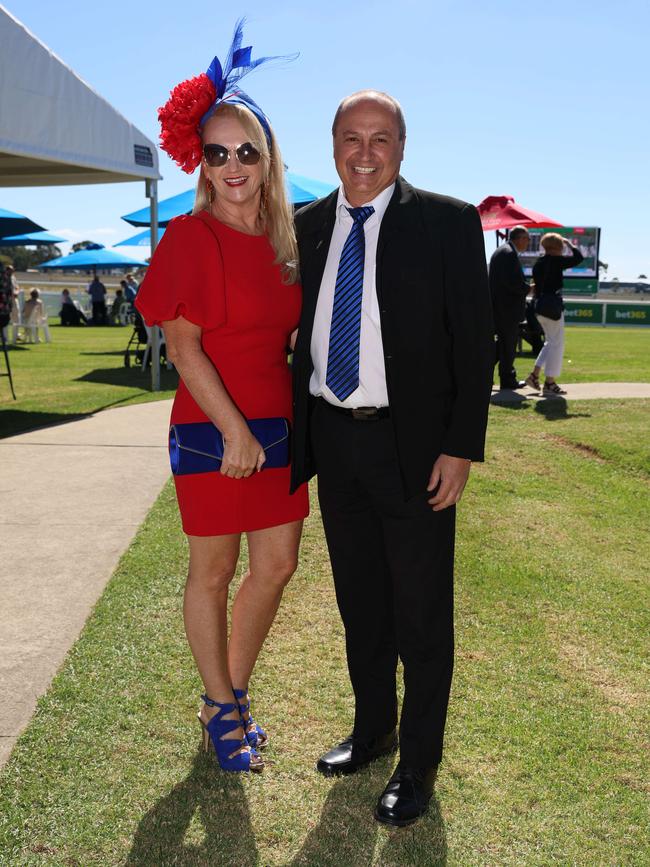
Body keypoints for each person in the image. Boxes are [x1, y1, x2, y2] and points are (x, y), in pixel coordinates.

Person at [291, 90, 493, 826]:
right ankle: (374, 730)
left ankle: (418, 763)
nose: (365, 152)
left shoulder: (445, 222)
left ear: (402, 147)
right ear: (333, 145)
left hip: (413, 448)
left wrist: (460, 447)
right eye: (352, 137)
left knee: (420, 615)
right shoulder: (307, 227)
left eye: (381, 138)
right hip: (334, 440)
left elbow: (475, 345)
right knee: (361, 604)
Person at [135, 22, 307, 774]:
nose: (233, 165)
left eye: (247, 151)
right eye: (217, 152)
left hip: (279, 427)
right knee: (213, 569)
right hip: (213, 427)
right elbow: (182, 346)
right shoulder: (190, 237)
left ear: (267, 160)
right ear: (200, 163)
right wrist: (235, 430)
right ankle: (221, 702)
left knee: (277, 564)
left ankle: (228, 695)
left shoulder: (286, 240)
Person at [525, 233, 583, 395]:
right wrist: (570, 244)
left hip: (538, 306)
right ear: (558, 247)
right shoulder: (556, 261)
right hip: (552, 307)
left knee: (550, 343)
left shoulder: (539, 263)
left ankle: (534, 375)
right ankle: (550, 383)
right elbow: (578, 258)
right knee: (557, 344)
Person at [489, 225, 530, 389]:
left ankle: (484, 371)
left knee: (502, 346)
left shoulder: (504, 251)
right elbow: (511, 283)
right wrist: (528, 288)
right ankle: (507, 379)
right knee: (507, 346)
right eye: (527, 239)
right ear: (519, 238)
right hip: (506, 309)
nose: (528, 243)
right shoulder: (508, 253)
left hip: (502, 308)